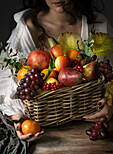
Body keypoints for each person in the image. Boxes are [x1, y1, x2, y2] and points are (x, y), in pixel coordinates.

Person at [0, 0, 113, 141]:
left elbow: (110, 72)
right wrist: (19, 120)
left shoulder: (98, 25)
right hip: (47, 131)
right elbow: (4, 80)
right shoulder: (27, 26)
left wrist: (110, 104)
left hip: (88, 126)